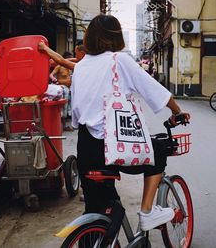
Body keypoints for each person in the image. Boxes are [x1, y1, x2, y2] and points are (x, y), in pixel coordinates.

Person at [54, 14, 190, 231]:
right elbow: (155, 91)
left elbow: (77, 114)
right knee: (160, 151)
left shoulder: (80, 67)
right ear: (115, 37)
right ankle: (147, 212)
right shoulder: (120, 60)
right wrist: (177, 111)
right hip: (115, 148)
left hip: (87, 149)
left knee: (96, 207)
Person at [49, 53, 74, 131]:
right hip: (63, 89)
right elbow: (51, 75)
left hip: (71, 89)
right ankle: (62, 125)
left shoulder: (71, 67)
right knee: (63, 107)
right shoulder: (59, 66)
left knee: (69, 107)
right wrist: (54, 79)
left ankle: (66, 125)